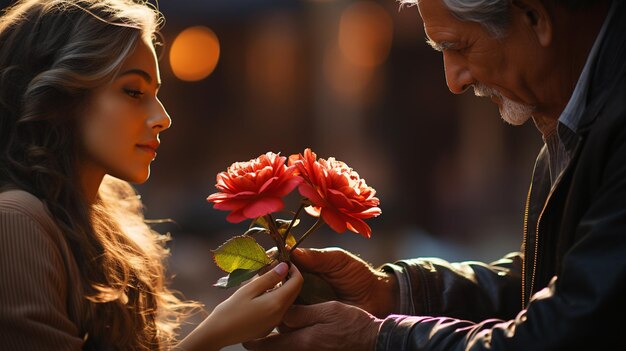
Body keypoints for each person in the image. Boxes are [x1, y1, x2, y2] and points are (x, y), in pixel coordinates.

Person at [243, 0, 626, 350]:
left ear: (534, 16)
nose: (454, 80)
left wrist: (379, 339)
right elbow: (549, 287)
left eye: (459, 47)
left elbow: (566, 331)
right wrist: (393, 293)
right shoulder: (578, 119)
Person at [0, 0, 303, 350]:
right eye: (133, 92)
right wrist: (215, 334)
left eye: (156, 94)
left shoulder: (106, 218)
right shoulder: (15, 221)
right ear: (61, 96)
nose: (163, 117)